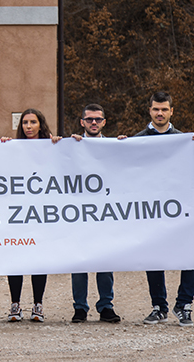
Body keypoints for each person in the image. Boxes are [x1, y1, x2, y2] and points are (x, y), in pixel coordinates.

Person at [135, 91, 194, 327]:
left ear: (171, 111)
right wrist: (121, 146)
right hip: (150, 210)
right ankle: (159, 307)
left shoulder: (186, 141)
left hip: (181, 210)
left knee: (192, 254)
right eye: (156, 109)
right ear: (150, 110)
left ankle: (184, 304)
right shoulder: (137, 140)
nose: (160, 113)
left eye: (164, 109)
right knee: (153, 255)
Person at [5, 108, 63, 322]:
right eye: (25, 123)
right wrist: (1, 148)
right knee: (16, 258)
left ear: (40, 124)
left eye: (33, 122)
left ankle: (38, 305)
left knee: (38, 258)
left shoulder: (51, 146)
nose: (28, 126)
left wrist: (60, 144)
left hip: (41, 212)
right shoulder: (13, 148)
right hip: (17, 212)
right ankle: (15, 305)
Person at [70, 104, 122, 324]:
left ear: (104, 122)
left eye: (97, 119)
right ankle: (80, 308)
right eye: (89, 119)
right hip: (78, 214)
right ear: (82, 122)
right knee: (79, 263)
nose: (93, 123)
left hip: (104, 213)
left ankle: (106, 306)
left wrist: (126, 146)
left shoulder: (114, 146)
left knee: (105, 261)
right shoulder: (71, 146)